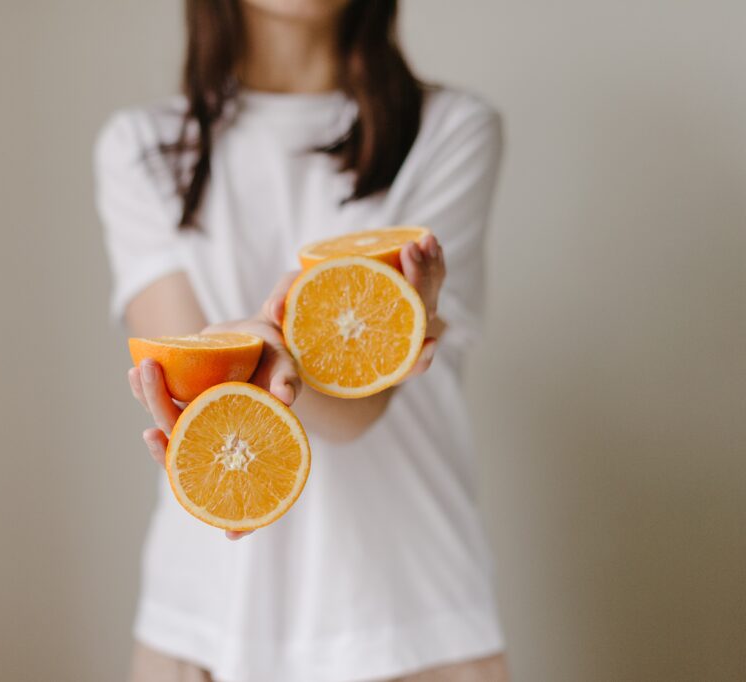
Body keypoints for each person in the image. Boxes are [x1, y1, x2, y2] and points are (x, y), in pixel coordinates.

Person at [96, 1, 508, 680]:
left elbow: (357, 409)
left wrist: (257, 357)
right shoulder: (141, 147)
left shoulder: (451, 131)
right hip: (204, 622)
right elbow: (183, 375)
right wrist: (289, 351)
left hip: (412, 623)